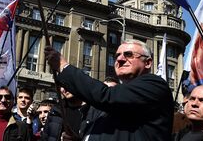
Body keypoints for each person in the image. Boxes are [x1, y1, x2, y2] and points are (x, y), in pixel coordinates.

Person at [46, 39, 174, 140]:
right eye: (117, 55)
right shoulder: (119, 97)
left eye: (128, 54)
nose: (120, 59)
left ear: (148, 63)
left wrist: (63, 66)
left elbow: (105, 97)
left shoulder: (155, 85)